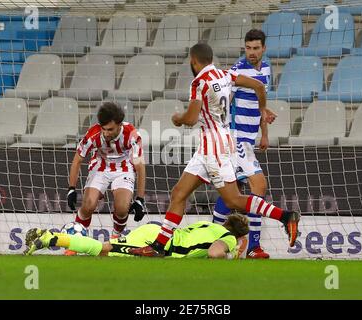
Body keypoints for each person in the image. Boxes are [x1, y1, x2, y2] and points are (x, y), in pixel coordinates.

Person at [129, 43, 300, 258]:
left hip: (214, 147)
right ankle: (158, 246)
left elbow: (191, 119)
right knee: (179, 193)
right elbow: (258, 85)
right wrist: (262, 108)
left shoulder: (199, 82)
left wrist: (177, 119)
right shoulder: (226, 75)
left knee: (233, 200)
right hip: (213, 144)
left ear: (193, 61)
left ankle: (286, 216)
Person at [213, 29, 272, 259]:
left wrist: (264, 133)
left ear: (263, 48)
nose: (252, 53)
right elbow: (224, 98)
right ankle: (254, 247)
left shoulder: (266, 68)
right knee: (258, 186)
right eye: (248, 48)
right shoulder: (238, 70)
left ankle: (214, 237)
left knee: (231, 195)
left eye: (256, 48)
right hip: (235, 139)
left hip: (249, 139)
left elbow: (262, 103)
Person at [66, 102, 146, 247]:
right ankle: (76, 242)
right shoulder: (93, 133)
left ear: (120, 124)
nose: (106, 133)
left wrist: (140, 199)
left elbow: (140, 167)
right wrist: (71, 188)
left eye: (110, 129)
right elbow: (77, 160)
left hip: (124, 168)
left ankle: (115, 239)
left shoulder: (133, 135)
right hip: (100, 166)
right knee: (88, 205)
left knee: (122, 209)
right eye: (104, 129)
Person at [23, 213, 250, 259]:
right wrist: (229, 255)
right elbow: (214, 252)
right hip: (158, 246)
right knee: (104, 249)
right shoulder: (228, 239)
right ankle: (50, 237)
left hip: (156, 232)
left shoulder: (207, 224)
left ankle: (52, 237)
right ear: (238, 236)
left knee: (106, 251)